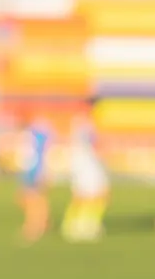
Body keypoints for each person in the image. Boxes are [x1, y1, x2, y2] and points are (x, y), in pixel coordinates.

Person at [60, 101, 110, 242]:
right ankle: (87, 225)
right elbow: (93, 143)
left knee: (83, 195)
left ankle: (75, 225)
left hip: (80, 164)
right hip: (88, 164)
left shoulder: (79, 122)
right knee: (100, 194)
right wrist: (103, 153)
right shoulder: (85, 124)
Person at [16, 112, 53, 243]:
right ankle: (42, 222)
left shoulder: (33, 135)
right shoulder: (28, 136)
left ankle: (35, 225)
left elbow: (39, 153)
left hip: (34, 170)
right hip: (29, 170)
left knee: (34, 199)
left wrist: (40, 172)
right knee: (28, 199)